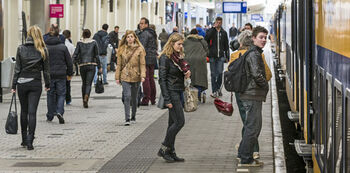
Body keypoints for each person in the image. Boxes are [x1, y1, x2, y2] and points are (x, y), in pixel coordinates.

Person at [228, 30, 272, 161]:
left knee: (248, 123)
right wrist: (265, 85)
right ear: (253, 39)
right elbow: (266, 75)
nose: (264, 40)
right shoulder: (255, 55)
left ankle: (243, 152)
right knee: (252, 126)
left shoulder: (235, 55)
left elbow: (229, 72)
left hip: (239, 93)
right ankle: (249, 155)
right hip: (251, 93)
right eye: (261, 37)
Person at [12, 25, 50, 150]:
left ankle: (23, 139)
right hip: (35, 82)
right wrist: (48, 84)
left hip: (22, 83)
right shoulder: (43, 49)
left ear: (28, 35)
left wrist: (13, 85)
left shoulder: (20, 48)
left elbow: (17, 69)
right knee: (32, 112)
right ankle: (30, 141)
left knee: (24, 111)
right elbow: (46, 70)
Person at [157, 33, 191, 163]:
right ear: (172, 43)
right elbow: (162, 80)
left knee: (172, 123)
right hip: (171, 92)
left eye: (182, 44)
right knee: (179, 122)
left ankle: (171, 151)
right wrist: (167, 99)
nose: (181, 46)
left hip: (179, 90)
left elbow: (180, 72)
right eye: (179, 44)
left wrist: (186, 74)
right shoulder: (165, 58)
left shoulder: (178, 57)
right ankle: (164, 148)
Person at [115, 30, 146, 126]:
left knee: (134, 97)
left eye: (131, 37)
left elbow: (142, 64)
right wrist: (117, 76)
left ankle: (133, 116)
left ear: (134, 38)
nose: (130, 39)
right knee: (127, 96)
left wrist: (143, 75)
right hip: (125, 75)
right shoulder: (121, 49)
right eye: (128, 37)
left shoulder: (140, 49)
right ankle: (127, 118)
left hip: (136, 75)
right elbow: (119, 64)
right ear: (125, 38)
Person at [45, 25, 74, 124]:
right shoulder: (63, 47)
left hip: (49, 75)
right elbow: (69, 62)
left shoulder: (45, 47)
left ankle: (50, 115)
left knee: (50, 94)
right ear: (59, 36)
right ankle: (59, 111)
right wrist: (70, 73)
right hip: (61, 74)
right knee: (61, 94)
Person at [72, 29, 102, 108]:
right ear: (90, 34)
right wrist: (99, 66)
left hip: (82, 65)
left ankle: (83, 100)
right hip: (91, 65)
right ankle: (86, 97)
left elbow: (75, 54)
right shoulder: (94, 42)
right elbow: (96, 55)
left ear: (83, 34)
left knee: (84, 83)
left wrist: (72, 64)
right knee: (89, 83)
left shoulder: (79, 43)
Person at [204, 17, 229, 98]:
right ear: (215, 22)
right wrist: (213, 28)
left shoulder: (224, 33)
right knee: (213, 74)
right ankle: (214, 91)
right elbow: (206, 38)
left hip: (221, 56)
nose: (218, 23)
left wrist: (227, 56)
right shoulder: (211, 31)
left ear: (221, 23)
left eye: (220, 22)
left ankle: (218, 89)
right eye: (217, 22)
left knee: (220, 73)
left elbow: (226, 45)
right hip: (212, 56)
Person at [184, 29, 209, 103]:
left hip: (188, 60)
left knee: (191, 77)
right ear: (197, 34)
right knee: (200, 77)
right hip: (200, 60)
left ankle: (192, 94)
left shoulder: (186, 41)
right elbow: (207, 51)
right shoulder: (202, 41)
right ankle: (199, 94)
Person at [137, 17, 158, 106]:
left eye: (142, 23)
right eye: (140, 23)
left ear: (146, 24)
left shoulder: (145, 34)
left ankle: (146, 99)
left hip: (145, 59)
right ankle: (153, 99)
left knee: (145, 79)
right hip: (152, 58)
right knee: (151, 79)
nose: (140, 25)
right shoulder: (152, 33)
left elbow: (142, 47)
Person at [62, 30, 75, 105]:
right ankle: (68, 99)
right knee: (67, 84)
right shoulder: (70, 45)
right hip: (67, 67)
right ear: (69, 36)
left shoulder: (60, 44)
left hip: (59, 67)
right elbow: (72, 57)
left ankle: (60, 98)